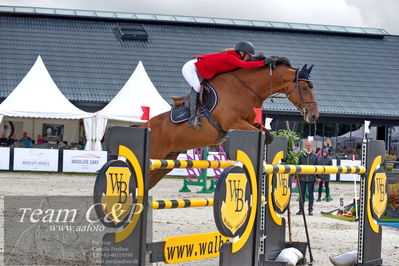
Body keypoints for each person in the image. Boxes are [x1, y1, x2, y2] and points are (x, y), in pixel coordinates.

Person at [181, 41, 274, 129]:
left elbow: (249, 63)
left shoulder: (236, 57)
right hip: (191, 68)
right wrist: (263, 62)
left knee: (203, 88)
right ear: (242, 53)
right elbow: (245, 65)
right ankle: (193, 119)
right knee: (197, 87)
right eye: (249, 55)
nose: (250, 58)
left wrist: (265, 61)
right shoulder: (230, 56)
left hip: (202, 71)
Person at [296, 140, 320, 216]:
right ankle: (301, 210)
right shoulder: (301, 155)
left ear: (311, 146)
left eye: (309, 145)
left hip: (311, 178)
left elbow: (318, 167)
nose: (307, 146)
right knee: (301, 195)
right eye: (306, 145)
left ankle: (310, 210)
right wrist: (297, 177)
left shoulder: (315, 156)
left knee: (311, 195)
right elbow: (298, 166)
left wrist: (318, 177)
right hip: (302, 178)